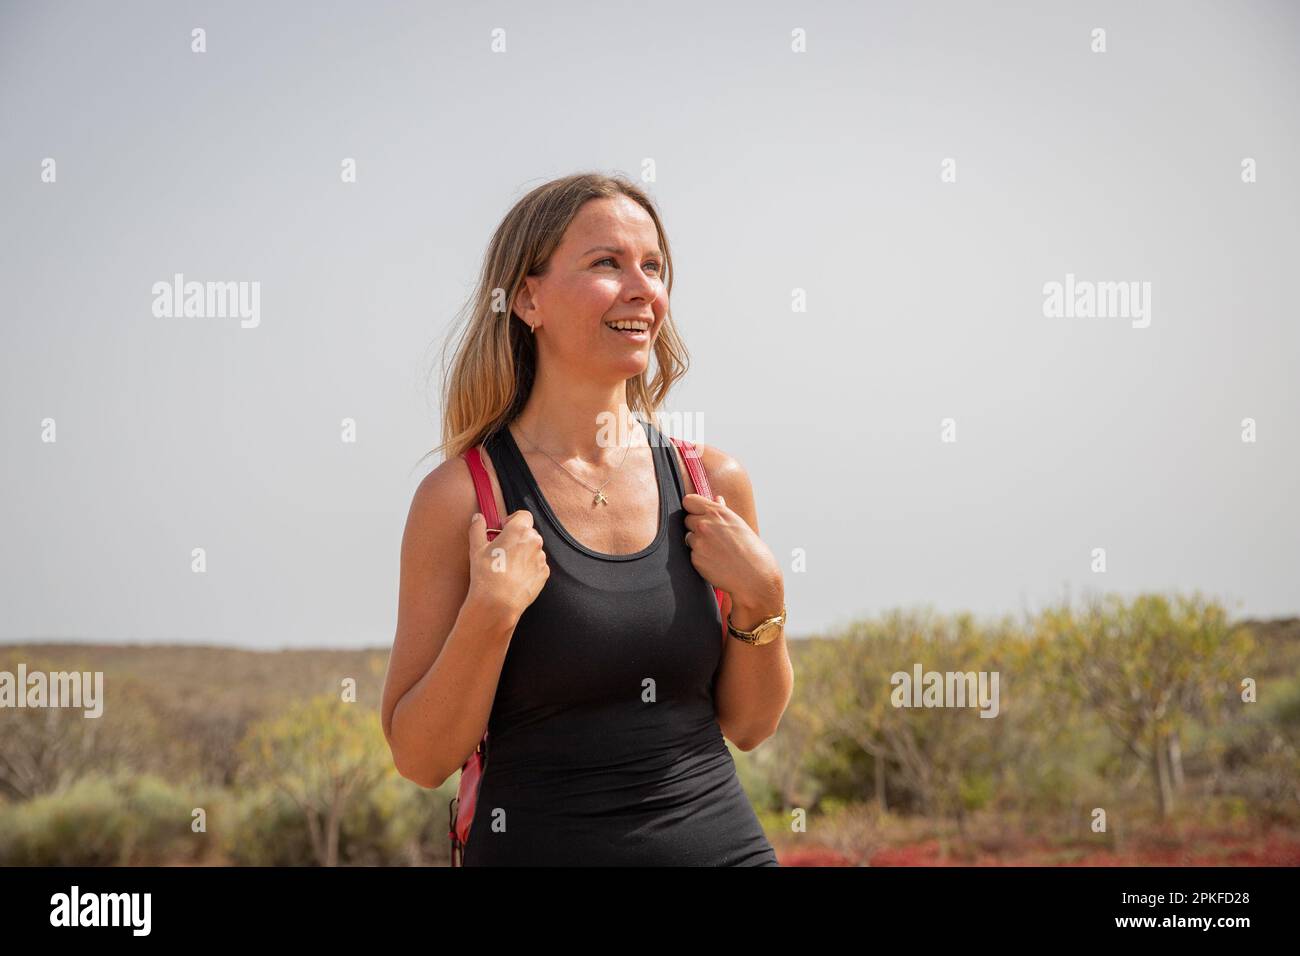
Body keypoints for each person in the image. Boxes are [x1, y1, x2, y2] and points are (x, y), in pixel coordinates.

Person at [381, 172, 793, 865]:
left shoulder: (709, 484)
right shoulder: (462, 500)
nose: (643, 289)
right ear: (528, 298)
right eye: (607, 263)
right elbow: (422, 759)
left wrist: (765, 597)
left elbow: (751, 726)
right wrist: (490, 614)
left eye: (653, 267)